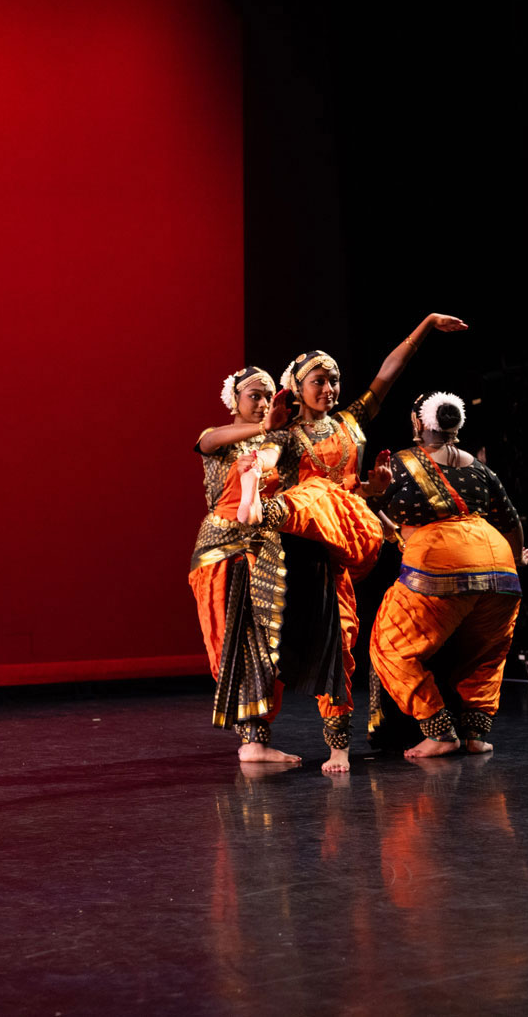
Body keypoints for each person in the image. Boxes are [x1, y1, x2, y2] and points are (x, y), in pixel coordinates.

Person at [250, 313, 468, 772]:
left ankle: (339, 747)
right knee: (277, 645)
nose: (329, 389)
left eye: (333, 380)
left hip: (344, 547)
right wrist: (267, 439)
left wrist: (425, 326)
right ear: (297, 387)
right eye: (319, 381)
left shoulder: (350, 422)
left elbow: (388, 374)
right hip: (300, 550)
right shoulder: (287, 436)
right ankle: (256, 739)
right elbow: (263, 467)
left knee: (342, 641)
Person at [366, 391, 524, 757]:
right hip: (500, 569)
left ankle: (439, 731)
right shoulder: (481, 469)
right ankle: (476, 735)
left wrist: (382, 511)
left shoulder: (402, 464)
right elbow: (511, 521)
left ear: (418, 423)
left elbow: (371, 503)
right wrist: (515, 561)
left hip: (442, 564)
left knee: (390, 646)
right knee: (485, 655)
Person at [188, 366, 300, 762]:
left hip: (263, 552)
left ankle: (256, 741)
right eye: (254, 395)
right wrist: (263, 428)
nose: (263, 403)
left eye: (268, 396)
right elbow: (207, 441)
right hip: (221, 551)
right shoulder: (218, 438)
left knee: (266, 648)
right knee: (231, 645)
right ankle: (251, 741)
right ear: (233, 400)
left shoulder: (276, 444)